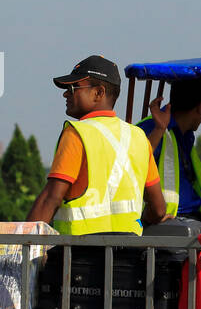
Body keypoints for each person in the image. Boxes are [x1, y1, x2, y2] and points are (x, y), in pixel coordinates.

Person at [27, 55, 167, 234]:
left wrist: (23, 246)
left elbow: (51, 198)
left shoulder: (77, 133)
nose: (65, 94)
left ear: (98, 93)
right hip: (128, 257)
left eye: (72, 88)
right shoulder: (139, 136)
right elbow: (159, 210)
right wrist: (141, 222)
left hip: (79, 256)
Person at [136, 81, 201, 223]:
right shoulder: (151, 128)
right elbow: (135, 166)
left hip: (191, 215)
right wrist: (159, 129)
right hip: (165, 219)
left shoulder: (186, 136)